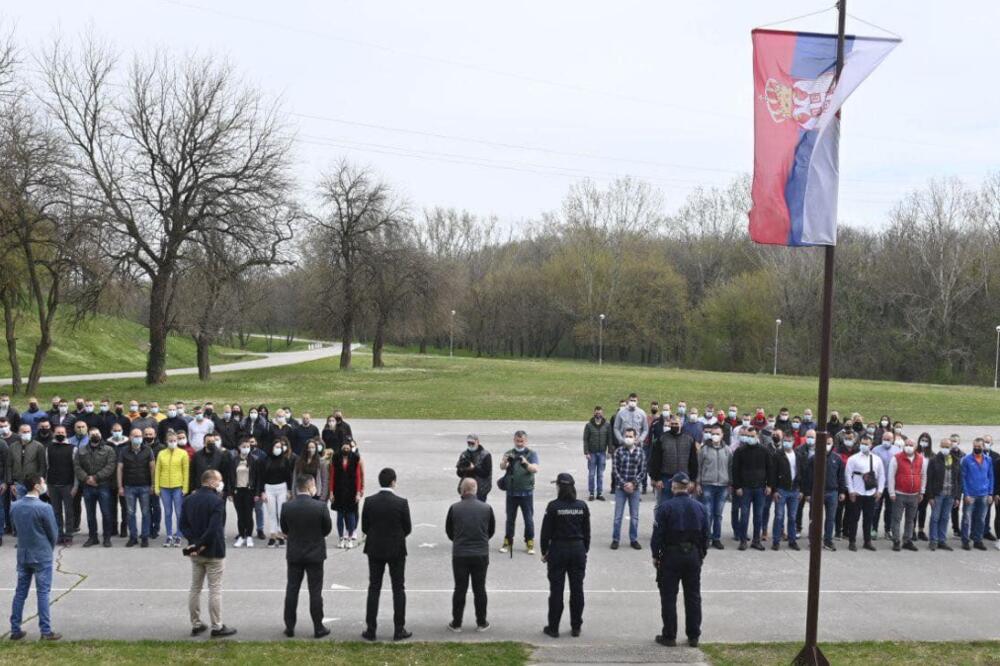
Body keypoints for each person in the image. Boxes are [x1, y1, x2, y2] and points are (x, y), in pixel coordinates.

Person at [650, 472, 708, 648]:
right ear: (688, 487)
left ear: (674, 487)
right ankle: (693, 635)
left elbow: (658, 536)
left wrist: (655, 556)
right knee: (693, 596)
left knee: (668, 596)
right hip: (692, 556)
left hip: (671, 556)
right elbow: (706, 535)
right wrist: (701, 554)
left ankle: (669, 635)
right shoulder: (700, 507)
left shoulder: (665, 507)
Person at [180, 470, 236, 638]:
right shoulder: (217, 501)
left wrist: (194, 543)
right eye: (219, 480)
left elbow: (183, 525)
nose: (221, 483)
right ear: (211, 482)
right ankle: (217, 626)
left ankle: (196, 623)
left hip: (195, 551)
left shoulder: (189, 499)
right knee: (215, 589)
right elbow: (214, 528)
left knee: (195, 588)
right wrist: (202, 544)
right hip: (213, 550)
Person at [361, 467, 413, 642]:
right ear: (393, 482)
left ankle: (371, 629)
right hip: (396, 549)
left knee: (374, 588)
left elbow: (365, 527)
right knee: (398, 588)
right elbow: (408, 527)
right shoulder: (401, 503)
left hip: (375, 548)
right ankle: (399, 628)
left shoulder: (369, 501)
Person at [8, 474, 60, 641]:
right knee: (43, 592)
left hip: (23, 553)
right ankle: (45, 630)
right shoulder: (44, 508)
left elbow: (15, 527)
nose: (44, 485)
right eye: (42, 482)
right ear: (37, 486)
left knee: (20, 591)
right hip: (41, 554)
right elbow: (53, 532)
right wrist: (48, 547)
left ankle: (15, 628)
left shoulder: (15, 506)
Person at [280, 473, 332, 639]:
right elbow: (327, 529)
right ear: (310, 486)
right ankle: (318, 626)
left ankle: (289, 626)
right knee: (315, 591)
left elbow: (285, 529)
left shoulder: (287, 507)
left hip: (295, 552)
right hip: (315, 553)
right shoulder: (320, 506)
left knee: (292, 589)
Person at [540, 473, 590, 639]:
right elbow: (587, 532)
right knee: (577, 590)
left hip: (558, 549)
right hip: (577, 549)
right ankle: (576, 626)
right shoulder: (581, 506)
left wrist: (544, 551)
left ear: (560, 487)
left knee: (556, 591)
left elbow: (545, 532)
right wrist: (584, 550)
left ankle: (553, 627)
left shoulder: (553, 506)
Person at [445, 478, 495, 633]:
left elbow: (449, 531)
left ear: (462, 490)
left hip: (460, 553)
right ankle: (481, 621)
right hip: (480, 552)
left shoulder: (454, 508)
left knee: (460, 588)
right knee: (479, 588)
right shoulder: (486, 508)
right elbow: (491, 530)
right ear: (475, 489)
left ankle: (457, 622)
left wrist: (459, 539)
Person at [801, 432, 847, 551]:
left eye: (829, 443)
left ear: (832, 445)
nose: (826, 445)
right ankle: (813, 540)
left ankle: (828, 540)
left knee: (830, 518)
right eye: (824, 443)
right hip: (816, 492)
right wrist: (807, 493)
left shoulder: (837, 459)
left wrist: (842, 491)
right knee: (814, 518)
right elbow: (807, 477)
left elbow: (841, 476)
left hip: (832, 492)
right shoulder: (813, 459)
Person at [73, 430, 117, 548]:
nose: (95, 435)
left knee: (106, 513)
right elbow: (77, 466)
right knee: (90, 514)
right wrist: (87, 478)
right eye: (92, 434)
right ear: (88, 436)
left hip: (103, 485)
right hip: (87, 486)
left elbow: (111, 466)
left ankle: (107, 538)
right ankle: (93, 537)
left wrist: (96, 477)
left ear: (101, 435)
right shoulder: (81, 450)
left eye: (97, 433)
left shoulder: (109, 450)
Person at [499, 430, 540, 555]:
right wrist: (505, 461)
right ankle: (507, 541)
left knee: (528, 519)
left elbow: (535, 469)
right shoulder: (509, 452)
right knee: (510, 519)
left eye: (522, 441)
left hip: (526, 493)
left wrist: (525, 463)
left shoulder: (531, 454)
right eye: (517, 441)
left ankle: (529, 541)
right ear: (514, 440)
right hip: (511, 493)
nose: (520, 443)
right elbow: (501, 466)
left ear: (526, 441)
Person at [731, 426, 771, 551]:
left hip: (760, 489)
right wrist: (737, 486)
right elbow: (735, 470)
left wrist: (769, 485)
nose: (749, 438)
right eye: (748, 436)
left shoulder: (764, 451)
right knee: (744, 515)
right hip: (745, 489)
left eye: (752, 436)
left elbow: (770, 469)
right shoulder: (740, 451)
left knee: (758, 516)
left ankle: (756, 541)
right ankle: (743, 541)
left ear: (757, 436)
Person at [844, 436, 885, 552]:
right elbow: (848, 475)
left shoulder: (877, 459)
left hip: (871, 494)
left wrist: (880, 491)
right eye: (862, 443)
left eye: (866, 444)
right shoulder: (853, 459)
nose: (864, 446)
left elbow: (881, 476)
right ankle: (852, 541)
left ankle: (867, 541)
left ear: (871, 445)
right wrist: (851, 490)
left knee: (868, 519)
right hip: (857, 493)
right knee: (854, 519)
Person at [117, 428, 156, 548]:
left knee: (145, 513)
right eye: (135, 436)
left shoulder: (148, 450)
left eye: (139, 436)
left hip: (145, 486)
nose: (137, 438)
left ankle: (145, 537)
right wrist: (120, 487)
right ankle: (133, 537)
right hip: (129, 487)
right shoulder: (123, 451)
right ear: (130, 437)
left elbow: (152, 468)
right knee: (130, 513)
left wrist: (153, 485)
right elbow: (119, 469)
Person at [768, 432, 806, 551]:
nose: (787, 443)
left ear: (793, 442)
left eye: (789, 440)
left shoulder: (798, 455)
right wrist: (774, 490)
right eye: (785, 440)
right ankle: (776, 541)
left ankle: (792, 540)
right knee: (779, 516)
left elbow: (802, 473)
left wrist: (801, 490)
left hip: (795, 490)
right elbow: (772, 474)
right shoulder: (777, 455)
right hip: (781, 490)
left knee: (792, 517)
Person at [648, 415, 698, 507]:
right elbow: (655, 460)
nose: (674, 425)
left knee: (683, 506)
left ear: (681, 424)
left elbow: (693, 461)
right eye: (672, 424)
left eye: (676, 424)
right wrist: (657, 478)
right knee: (663, 504)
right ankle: (660, 522)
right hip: (666, 478)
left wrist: (693, 480)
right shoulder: (662, 438)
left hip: (684, 478)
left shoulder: (689, 439)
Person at [887, 438, 926, 552]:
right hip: (899, 494)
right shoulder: (897, 458)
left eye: (911, 445)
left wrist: (922, 491)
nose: (909, 446)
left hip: (914, 495)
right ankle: (896, 540)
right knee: (896, 519)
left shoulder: (920, 459)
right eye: (907, 444)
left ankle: (907, 540)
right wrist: (891, 492)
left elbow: (923, 475)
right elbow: (891, 476)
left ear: (915, 447)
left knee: (910, 519)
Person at [696, 425, 731, 550]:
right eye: (713, 433)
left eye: (717, 433)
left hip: (722, 486)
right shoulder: (704, 449)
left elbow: (730, 468)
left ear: (722, 435)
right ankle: (707, 538)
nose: (715, 436)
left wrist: (730, 484)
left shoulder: (727, 450)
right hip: (707, 485)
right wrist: (698, 483)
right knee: (708, 514)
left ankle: (716, 538)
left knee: (718, 514)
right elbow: (698, 468)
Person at [611, 427, 645, 550]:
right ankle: (615, 539)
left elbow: (643, 471)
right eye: (626, 436)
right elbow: (615, 470)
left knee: (634, 516)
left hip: (635, 489)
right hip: (621, 488)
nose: (628, 438)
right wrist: (625, 484)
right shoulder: (618, 451)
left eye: (630, 436)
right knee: (617, 516)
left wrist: (633, 484)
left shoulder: (640, 452)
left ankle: (633, 539)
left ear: (635, 437)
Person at [257, 438, 295, 548]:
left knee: (281, 512)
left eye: (280, 447)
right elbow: (261, 477)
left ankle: (280, 535)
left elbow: (289, 476)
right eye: (276, 447)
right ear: (272, 447)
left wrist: (289, 490)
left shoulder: (285, 460)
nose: (279, 449)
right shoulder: (265, 460)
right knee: (271, 512)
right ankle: (273, 535)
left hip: (282, 488)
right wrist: (262, 492)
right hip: (269, 488)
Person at [155, 431, 190, 547]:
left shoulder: (183, 453)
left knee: (179, 512)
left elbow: (186, 472)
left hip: (178, 487)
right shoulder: (161, 454)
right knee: (168, 512)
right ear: (166, 441)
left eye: (175, 441)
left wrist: (185, 487)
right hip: (164, 487)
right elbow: (157, 471)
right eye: (170, 441)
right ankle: (169, 535)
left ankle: (179, 535)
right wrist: (157, 487)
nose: (173, 443)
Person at [960, 438, 994, 551]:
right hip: (971, 495)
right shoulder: (966, 460)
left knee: (981, 519)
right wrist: (966, 494)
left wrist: (990, 493)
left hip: (984, 495)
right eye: (975, 446)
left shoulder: (988, 460)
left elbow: (991, 477)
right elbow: (963, 478)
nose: (977, 448)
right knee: (967, 518)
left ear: (983, 447)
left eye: (979, 446)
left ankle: (977, 540)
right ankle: (965, 540)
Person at [926, 438, 961, 551]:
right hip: (938, 494)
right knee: (935, 518)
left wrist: (957, 496)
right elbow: (929, 479)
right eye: (943, 446)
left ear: (951, 447)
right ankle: (933, 540)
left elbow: (958, 480)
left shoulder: (956, 460)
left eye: (947, 447)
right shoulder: (934, 460)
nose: (945, 449)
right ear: (940, 446)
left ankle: (942, 540)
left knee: (945, 518)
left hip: (950, 494)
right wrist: (930, 496)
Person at [329, 441, 364, 548]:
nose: (346, 448)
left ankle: (349, 538)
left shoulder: (355, 458)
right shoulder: (335, 458)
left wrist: (358, 492)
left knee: (351, 515)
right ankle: (341, 538)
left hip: (352, 491)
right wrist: (331, 492)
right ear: (341, 447)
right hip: (338, 491)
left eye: (348, 447)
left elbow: (358, 477)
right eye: (344, 447)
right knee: (340, 515)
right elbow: (332, 476)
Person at [46, 426, 77, 546]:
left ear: (66, 434)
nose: (60, 434)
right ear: (54, 433)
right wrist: (47, 486)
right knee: (56, 512)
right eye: (58, 432)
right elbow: (47, 468)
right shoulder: (48, 448)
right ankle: (59, 534)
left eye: (62, 432)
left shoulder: (73, 448)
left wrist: (75, 486)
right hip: (53, 485)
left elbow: (76, 469)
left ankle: (69, 535)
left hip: (68, 485)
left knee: (69, 512)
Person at [871, 433, 900, 541]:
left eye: (888, 439)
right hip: (878, 485)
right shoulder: (875, 450)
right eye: (884, 439)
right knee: (876, 508)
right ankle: (873, 529)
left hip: (891, 485)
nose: (886, 441)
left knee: (890, 509)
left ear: (893, 440)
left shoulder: (897, 450)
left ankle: (888, 530)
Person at [10, 424, 47, 501]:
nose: (26, 433)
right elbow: (9, 465)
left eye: (28, 431)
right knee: (20, 505)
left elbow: (42, 465)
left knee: (34, 505)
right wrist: (11, 483)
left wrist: (39, 481)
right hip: (18, 483)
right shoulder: (13, 446)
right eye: (24, 432)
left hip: (33, 483)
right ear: (19, 433)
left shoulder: (38, 446)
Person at [582, 407, 612, 502]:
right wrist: (586, 452)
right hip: (592, 453)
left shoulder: (607, 425)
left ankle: (599, 493)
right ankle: (591, 493)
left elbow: (609, 439)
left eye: (600, 413)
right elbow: (585, 440)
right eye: (596, 413)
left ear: (602, 414)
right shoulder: (589, 425)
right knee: (591, 474)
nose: (598, 414)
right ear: (594, 413)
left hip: (602, 453)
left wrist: (610, 451)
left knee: (600, 474)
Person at [456, 435, 492, 502]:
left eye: (472, 443)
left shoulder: (486, 455)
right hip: (466, 489)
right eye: (469, 443)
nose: (470, 445)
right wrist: (463, 468)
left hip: (481, 489)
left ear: (477, 442)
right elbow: (459, 474)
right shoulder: (464, 454)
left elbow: (486, 473)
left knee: (479, 510)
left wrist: (474, 468)